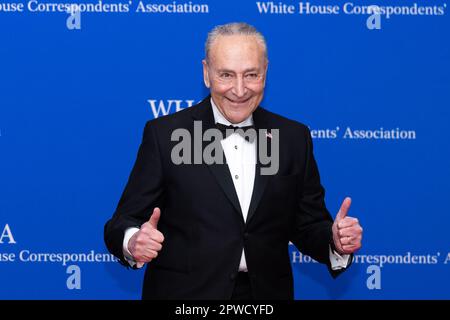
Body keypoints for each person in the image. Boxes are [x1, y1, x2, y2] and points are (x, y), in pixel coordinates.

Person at [104, 22, 363, 300]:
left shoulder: (292, 138)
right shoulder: (165, 135)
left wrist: (334, 241)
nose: (239, 90)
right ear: (206, 73)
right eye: (226, 75)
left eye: (251, 75)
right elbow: (123, 220)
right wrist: (133, 240)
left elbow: (308, 225)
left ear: (265, 72)